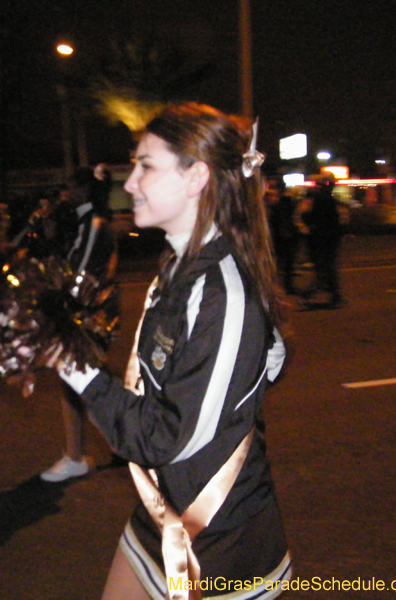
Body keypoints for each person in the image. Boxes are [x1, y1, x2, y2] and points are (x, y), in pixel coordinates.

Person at [51, 104, 291, 599]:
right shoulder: (177, 265)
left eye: (146, 165)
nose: (131, 181)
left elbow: (163, 436)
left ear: (196, 176)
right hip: (160, 512)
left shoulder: (222, 292)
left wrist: (73, 365)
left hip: (225, 537)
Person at [38, 167, 117, 483]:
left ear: (84, 190)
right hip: (87, 310)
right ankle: (124, 443)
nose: (64, 191)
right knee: (93, 381)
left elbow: (77, 273)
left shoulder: (93, 224)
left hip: (90, 312)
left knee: (74, 379)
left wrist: (51, 302)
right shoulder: (81, 223)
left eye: (70, 185)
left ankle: (75, 456)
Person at [301, 173, 344, 307]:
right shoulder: (326, 199)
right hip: (326, 238)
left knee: (324, 267)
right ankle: (328, 293)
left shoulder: (317, 198)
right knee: (326, 267)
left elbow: (306, 216)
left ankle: (322, 293)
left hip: (320, 238)